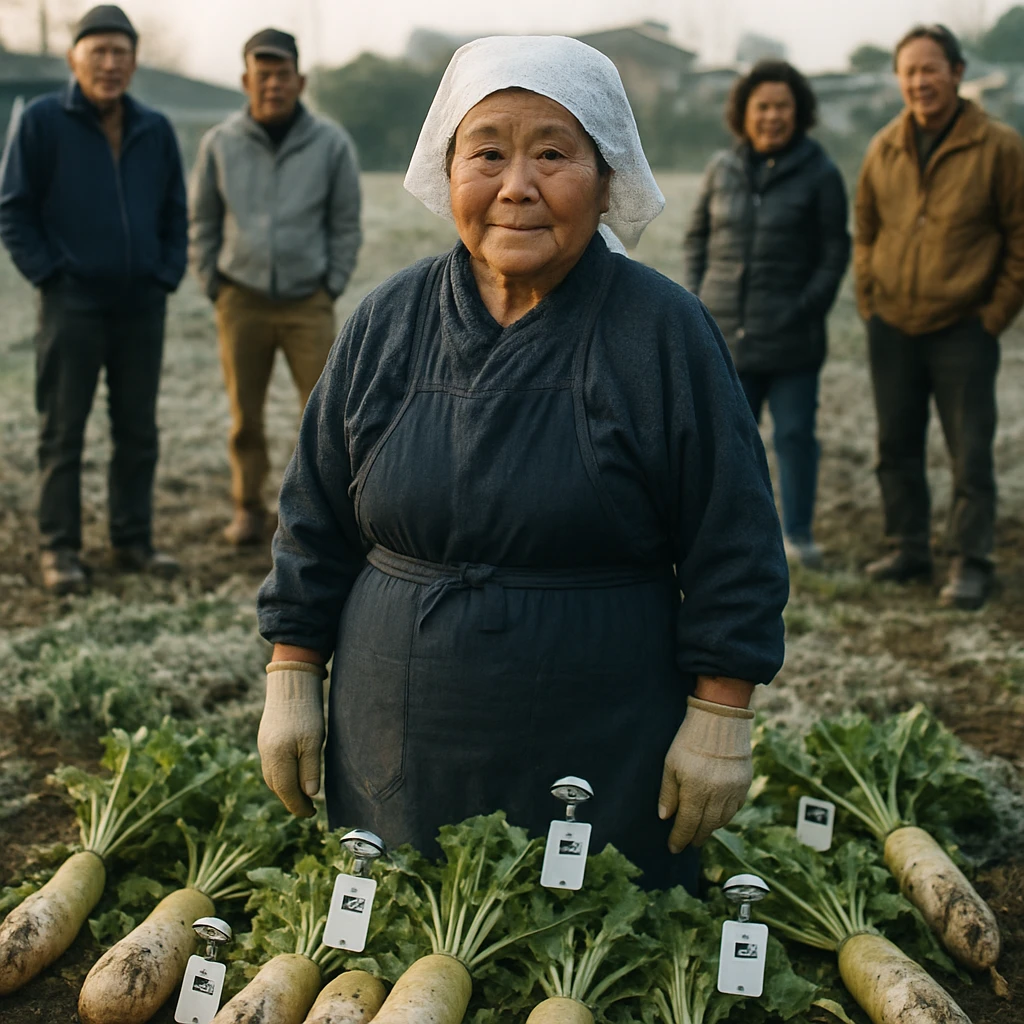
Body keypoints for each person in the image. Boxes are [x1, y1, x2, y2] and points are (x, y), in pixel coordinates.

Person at [255, 36, 788, 891]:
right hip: (399, 734)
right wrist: (290, 675)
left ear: (607, 175)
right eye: (488, 153)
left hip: (604, 733)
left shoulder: (662, 332)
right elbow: (312, 518)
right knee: (408, 946)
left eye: (552, 153)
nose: (517, 186)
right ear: (448, 170)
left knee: (587, 953)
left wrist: (720, 715)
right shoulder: (387, 321)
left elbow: (735, 538)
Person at [0, 4, 187, 594]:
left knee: (137, 430)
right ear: (73, 57)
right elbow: (15, 209)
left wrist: (165, 273)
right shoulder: (41, 122)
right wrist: (51, 276)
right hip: (71, 305)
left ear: (133, 61)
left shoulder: (154, 128)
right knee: (63, 431)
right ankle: (60, 550)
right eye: (98, 51)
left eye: (120, 53)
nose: (109, 63)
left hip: (141, 305)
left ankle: (133, 540)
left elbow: (174, 212)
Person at [856, 23, 1024, 609]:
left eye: (931, 69)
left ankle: (971, 561)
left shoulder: (1000, 147)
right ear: (898, 79)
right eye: (910, 72)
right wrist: (870, 300)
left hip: (964, 328)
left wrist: (994, 314)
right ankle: (908, 546)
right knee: (895, 446)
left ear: (957, 72)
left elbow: (1020, 236)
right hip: (893, 324)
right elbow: (867, 230)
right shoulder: (884, 146)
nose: (920, 82)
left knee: (969, 451)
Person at [189, 28, 362, 547]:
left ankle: (324, 513)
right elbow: (202, 219)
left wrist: (330, 283)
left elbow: (345, 223)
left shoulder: (330, 143)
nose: (272, 85)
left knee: (325, 414)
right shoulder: (219, 143)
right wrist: (213, 282)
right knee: (246, 415)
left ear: (299, 79)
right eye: (262, 75)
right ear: (246, 80)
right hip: (240, 299)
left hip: (308, 301)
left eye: (281, 74)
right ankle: (247, 507)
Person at [684, 60, 849, 570]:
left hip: (793, 340)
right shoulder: (721, 169)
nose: (772, 116)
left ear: (798, 113)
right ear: (743, 113)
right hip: (728, 336)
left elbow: (834, 252)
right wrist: (699, 301)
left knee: (795, 437)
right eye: (762, 107)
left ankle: (797, 534)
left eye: (782, 107)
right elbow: (697, 239)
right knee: (729, 444)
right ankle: (731, 539)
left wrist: (804, 309)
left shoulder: (820, 172)